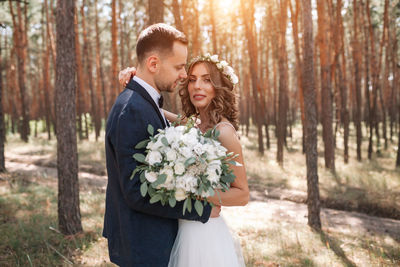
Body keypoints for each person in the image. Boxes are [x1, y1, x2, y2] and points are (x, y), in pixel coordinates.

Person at [103, 23, 220, 267]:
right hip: (143, 245)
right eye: (178, 66)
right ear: (154, 64)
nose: (184, 74)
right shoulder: (132, 110)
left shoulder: (146, 102)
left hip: (153, 240)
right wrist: (200, 210)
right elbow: (136, 193)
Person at [119, 54, 249, 267]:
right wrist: (134, 83)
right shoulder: (194, 123)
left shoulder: (224, 132)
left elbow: (242, 194)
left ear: (219, 86)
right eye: (192, 79)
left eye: (207, 80)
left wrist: (200, 195)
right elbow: (155, 111)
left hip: (205, 234)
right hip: (184, 228)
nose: (198, 86)